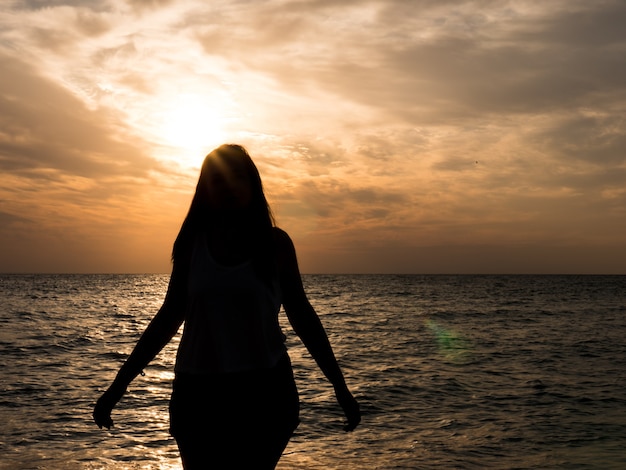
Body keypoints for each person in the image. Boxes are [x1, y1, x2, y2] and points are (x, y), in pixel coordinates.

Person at [93, 144, 361, 469]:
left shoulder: (276, 246)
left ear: (252, 186)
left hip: (265, 392)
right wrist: (118, 387)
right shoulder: (192, 246)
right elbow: (167, 318)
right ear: (206, 190)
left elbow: (302, 316)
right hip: (198, 393)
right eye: (218, 180)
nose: (229, 187)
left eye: (238, 178)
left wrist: (340, 387)